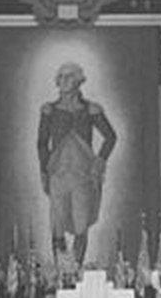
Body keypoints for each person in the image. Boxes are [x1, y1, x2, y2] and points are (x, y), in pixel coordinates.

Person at [37, 62, 117, 265]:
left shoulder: (91, 109)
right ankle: (60, 273)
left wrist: (100, 161)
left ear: (79, 81)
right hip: (58, 174)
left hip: (83, 176)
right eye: (61, 76)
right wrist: (44, 171)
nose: (63, 81)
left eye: (69, 76)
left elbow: (110, 137)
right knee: (57, 224)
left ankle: (76, 271)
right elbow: (41, 143)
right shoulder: (49, 110)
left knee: (81, 225)